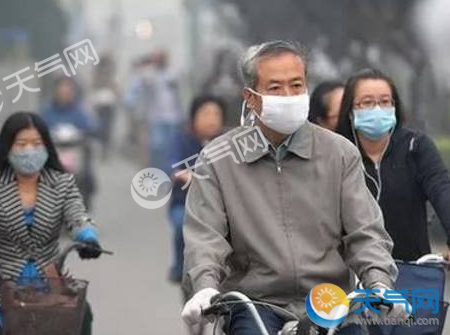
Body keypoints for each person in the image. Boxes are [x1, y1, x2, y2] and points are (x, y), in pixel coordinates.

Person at [180, 41, 409, 335]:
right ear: (250, 97)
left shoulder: (340, 153)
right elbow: (205, 238)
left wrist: (379, 283)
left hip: (330, 300)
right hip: (256, 303)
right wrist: (205, 287)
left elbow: (365, 231)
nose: (288, 95)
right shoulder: (217, 159)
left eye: (296, 85)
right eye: (275, 88)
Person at [0, 112, 102, 335]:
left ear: (47, 147)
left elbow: (77, 216)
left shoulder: (62, 182)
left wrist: (88, 238)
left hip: (49, 287)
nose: (29, 150)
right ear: (7, 146)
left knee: (82, 315)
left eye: (36, 143)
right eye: (22, 144)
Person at [336, 68, 450, 262]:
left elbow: (442, 190)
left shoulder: (415, 146)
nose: (377, 109)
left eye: (385, 102)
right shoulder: (337, 151)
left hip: (412, 270)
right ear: (350, 111)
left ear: (394, 107)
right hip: (353, 273)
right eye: (367, 103)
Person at [168, 95, 226, 284]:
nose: (211, 119)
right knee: (180, 226)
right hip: (184, 203)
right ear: (193, 117)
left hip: (219, 206)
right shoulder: (182, 139)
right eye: (206, 113)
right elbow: (175, 169)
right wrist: (195, 179)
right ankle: (178, 267)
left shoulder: (228, 142)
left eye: (216, 114)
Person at [42, 77, 97, 209]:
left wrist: (89, 131)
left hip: (76, 155)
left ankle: (86, 198)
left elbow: (91, 126)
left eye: (68, 90)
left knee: (86, 171)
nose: (64, 93)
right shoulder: (47, 111)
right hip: (53, 155)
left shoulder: (79, 112)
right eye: (61, 90)